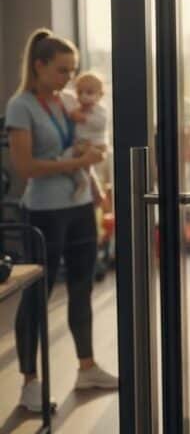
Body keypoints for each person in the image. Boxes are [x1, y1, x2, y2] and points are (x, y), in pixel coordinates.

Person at [5, 28, 119, 413]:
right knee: (37, 296)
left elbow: (82, 146)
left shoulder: (65, 102)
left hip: (80, 207)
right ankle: (29, 383)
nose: (69, 79)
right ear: (39, 66)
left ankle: (86, 367)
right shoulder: (22, 106)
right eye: (62, 70)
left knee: (82, 288)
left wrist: (95, 179)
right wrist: (79, 163)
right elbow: (26, 167)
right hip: (44, 214)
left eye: (72, 71)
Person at [63, 71, 108, 202]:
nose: (83, 96)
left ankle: (83, 184)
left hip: (95, 145)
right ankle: (95, 191)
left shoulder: (99, 110)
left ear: (100, 95)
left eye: (89, 92)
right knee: (83, 167)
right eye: (79, 92)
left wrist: (82, 117)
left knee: (70, 158)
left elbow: (98, 123)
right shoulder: (79, 107)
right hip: (84, 144)